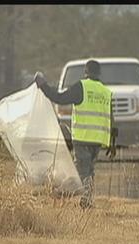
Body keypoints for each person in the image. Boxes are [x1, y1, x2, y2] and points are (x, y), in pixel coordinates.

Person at [34, 60, 117, 209]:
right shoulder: (106, 92)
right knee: (89, 171)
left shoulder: (82, 87)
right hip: (98, 140)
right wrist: (112, 142)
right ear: (99, 73)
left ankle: (65, 193)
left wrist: (43, 86)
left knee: (81, 171)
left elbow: (59, 98)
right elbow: (111, 119)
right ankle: (87, 201)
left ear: (86, 72)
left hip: (83, 137)